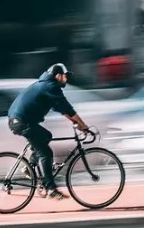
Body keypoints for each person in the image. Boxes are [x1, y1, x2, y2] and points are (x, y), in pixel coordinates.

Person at [7, 63, 90, 201]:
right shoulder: (51, 86)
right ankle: (50, 188)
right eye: (65, 76)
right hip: (22, 122)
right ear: (58, 75)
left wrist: (77, 123)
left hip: (20, 120)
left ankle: (30, 167)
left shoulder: (45, 85)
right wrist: (83, 125)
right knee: (46, 152)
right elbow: (68, 108)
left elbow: (63, 110)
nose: (66, 79)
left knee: (46, 136)